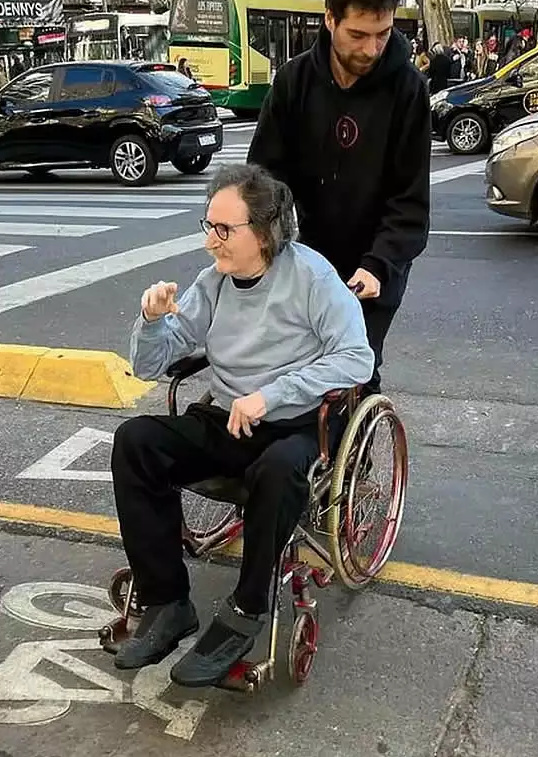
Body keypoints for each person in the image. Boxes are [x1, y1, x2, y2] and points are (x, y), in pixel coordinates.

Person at [111, 163, 374, 687]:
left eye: (224, 229)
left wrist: (272, 394)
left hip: (296, 425)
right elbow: (149, 365)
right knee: (134, 442)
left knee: (277, 471)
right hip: (228, 419)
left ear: (266, 232)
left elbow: (356, 359)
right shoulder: (213, 283)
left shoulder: (312, 277)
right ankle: (167, 601)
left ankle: (247, 607)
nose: (212, 242)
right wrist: (153, 320)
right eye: (208, 226)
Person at [247, 0, 430, 395]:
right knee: (289, 363)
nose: (371, 49)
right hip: (303, 259)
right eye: (358, 34)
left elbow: (409, 203)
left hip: (371, 267)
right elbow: (263, 177)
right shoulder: (294, 81)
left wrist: (379, 266)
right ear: (330, 19)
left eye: (383, 34)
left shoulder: (407, 90)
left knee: (352, 370)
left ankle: (356, 460)